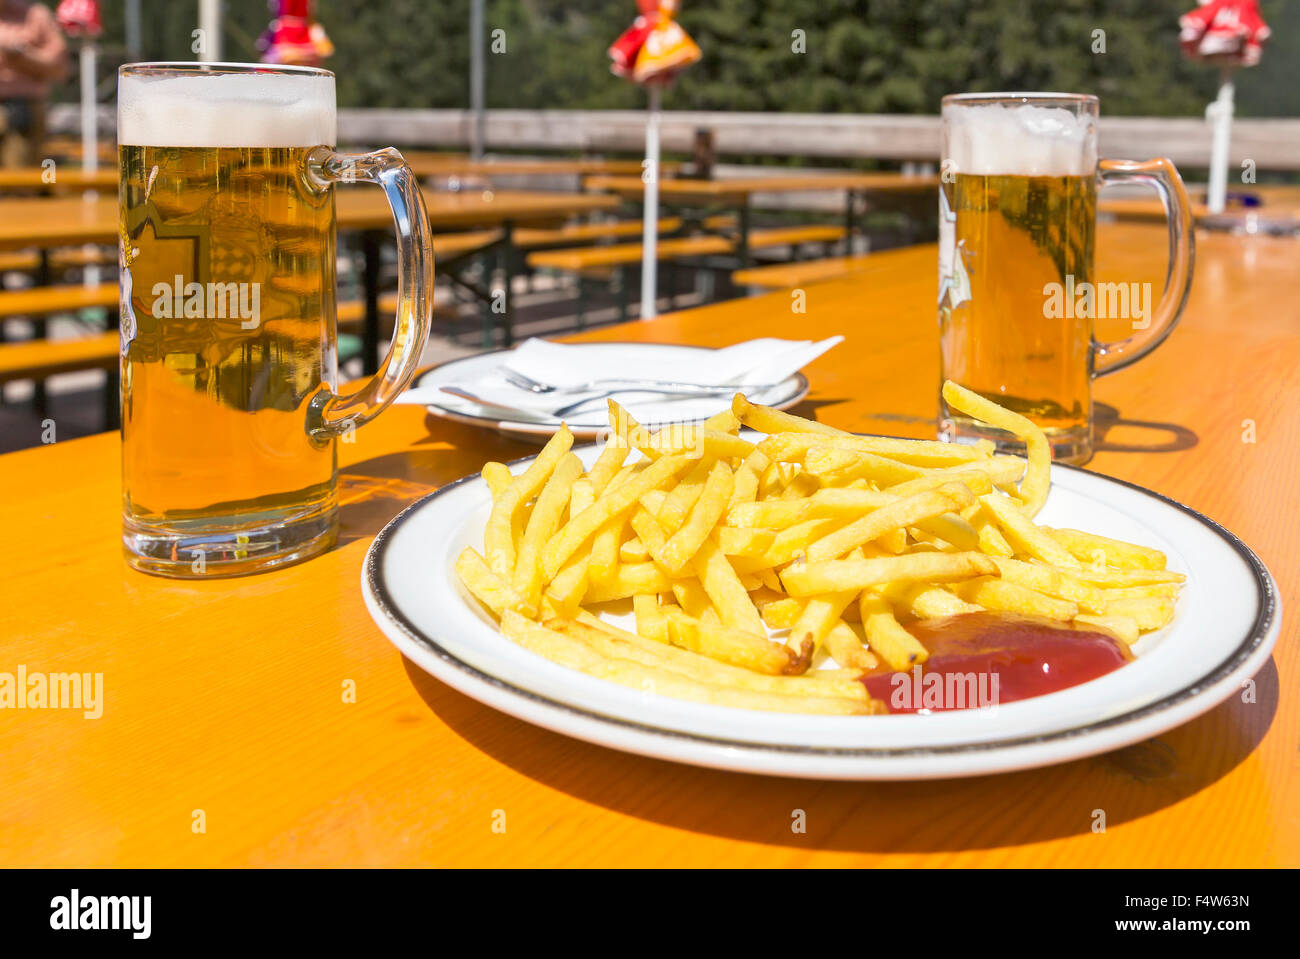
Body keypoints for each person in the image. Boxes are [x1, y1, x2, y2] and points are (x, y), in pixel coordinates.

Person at [0, 0, 67, 168]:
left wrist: (20, 56)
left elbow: (59, 68)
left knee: (20, 179)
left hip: (23, 109)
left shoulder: (36, 15)